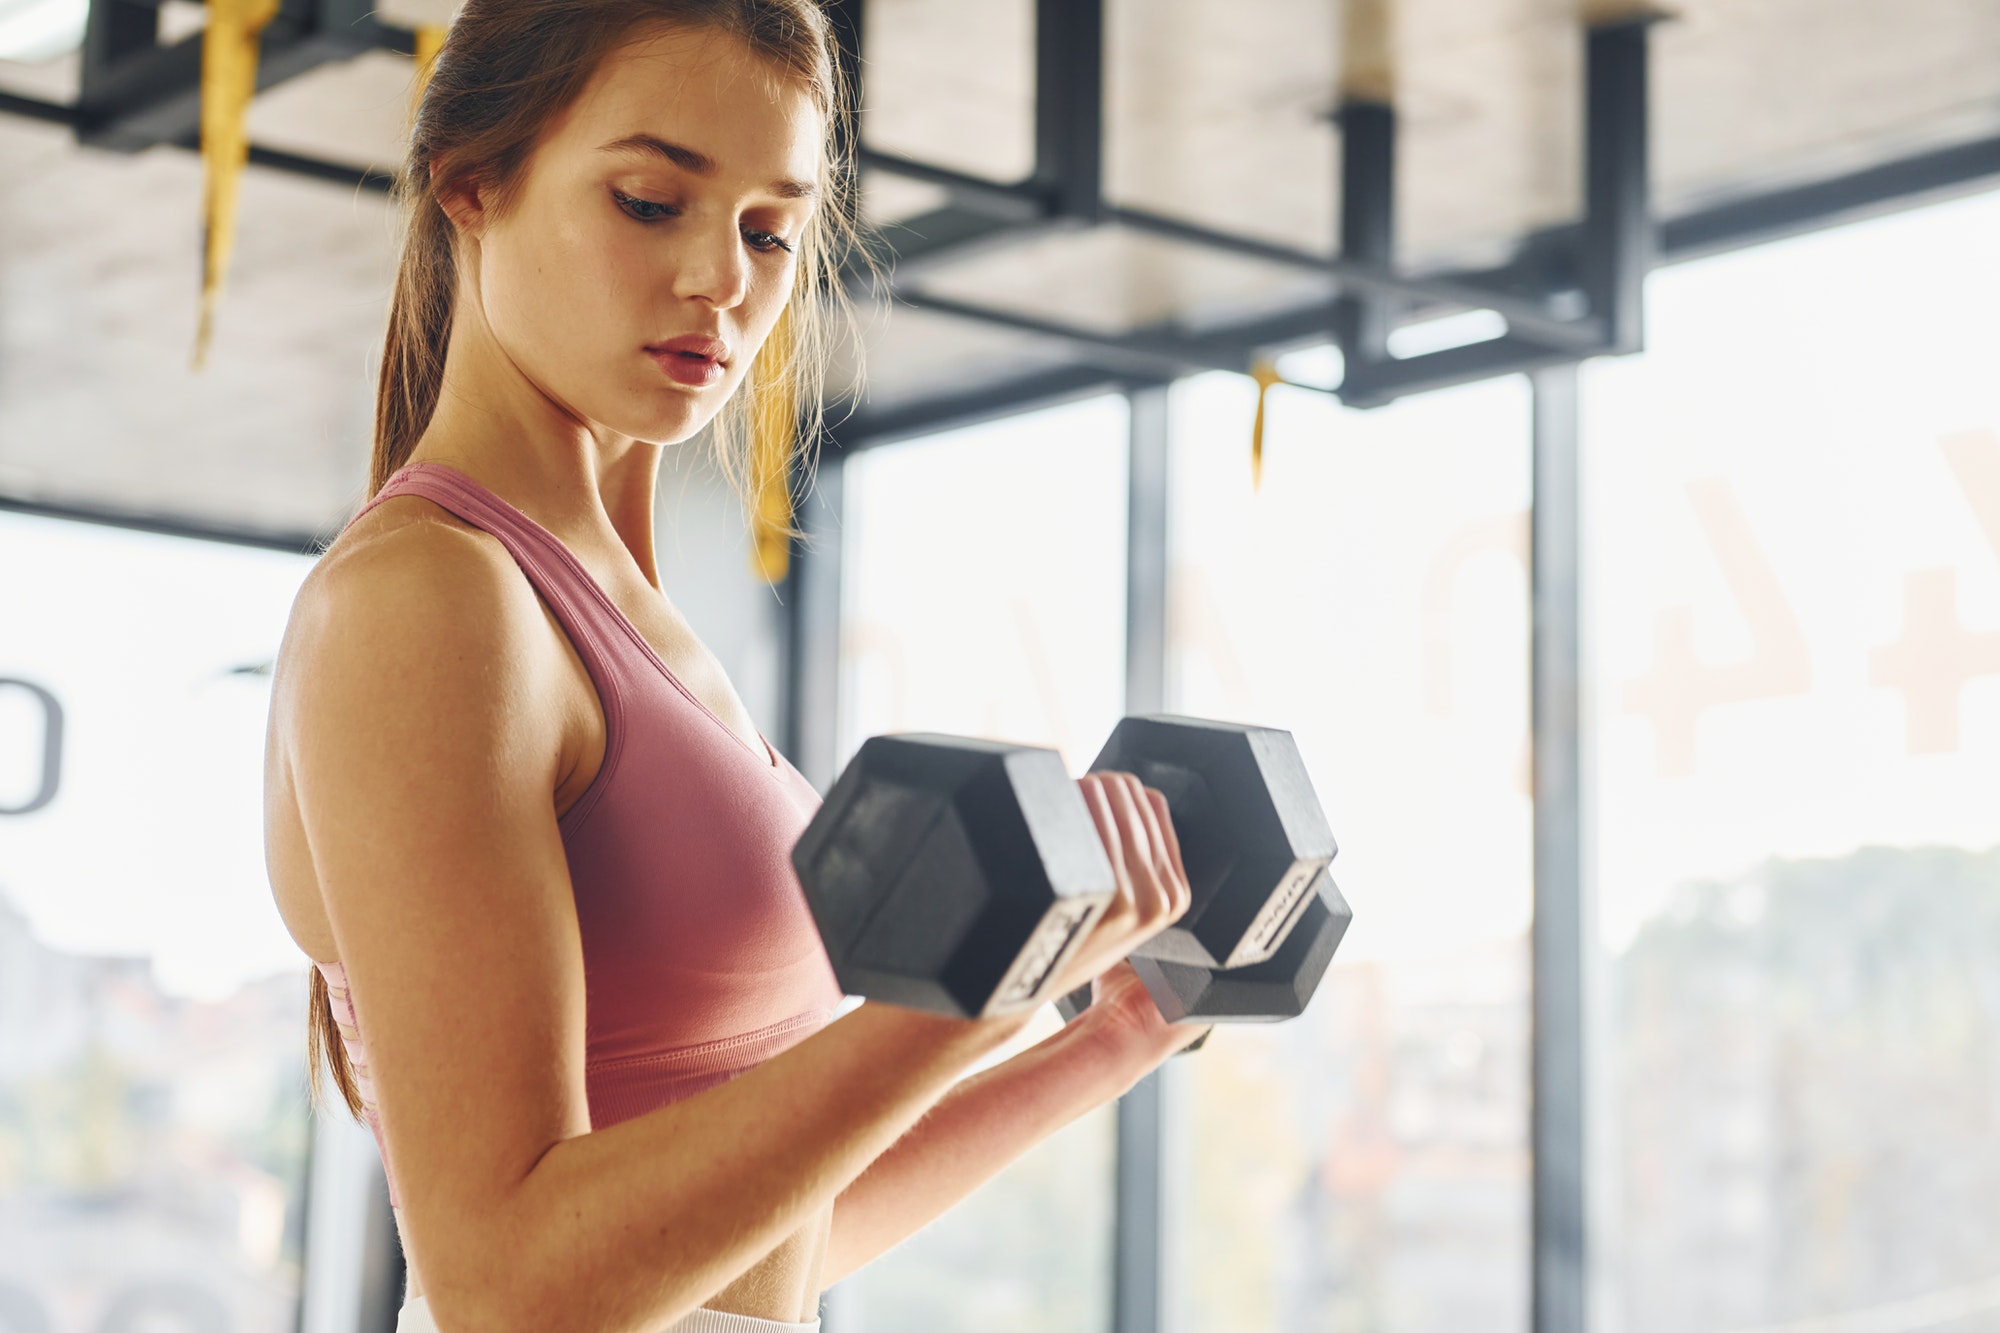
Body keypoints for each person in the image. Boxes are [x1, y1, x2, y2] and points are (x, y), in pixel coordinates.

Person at [264, 3, 1201, 1330]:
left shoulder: (638, 620)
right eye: (652, 201)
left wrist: (1105, 1033)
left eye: (771, 229)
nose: (725, 278)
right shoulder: (429, 598)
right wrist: (962, 1001)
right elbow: (509, 1281)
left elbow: (771, 1246)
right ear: (471, 181)